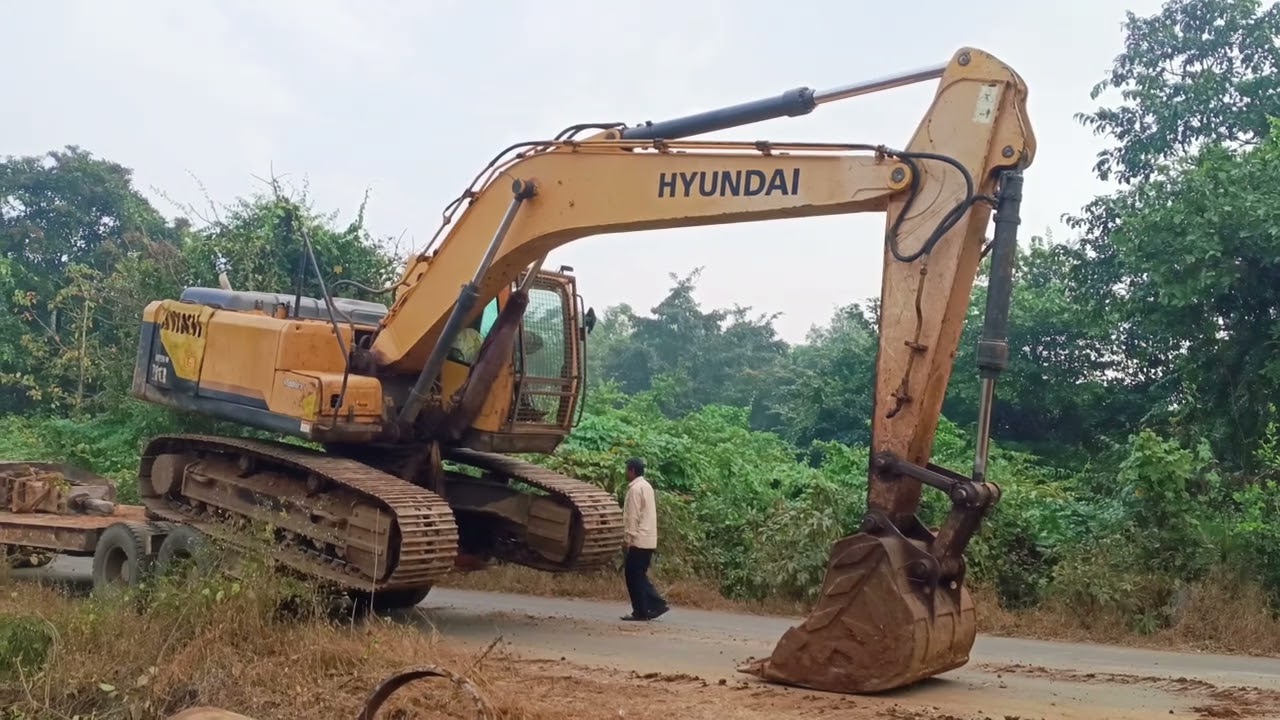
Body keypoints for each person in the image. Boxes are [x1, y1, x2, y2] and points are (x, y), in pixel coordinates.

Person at [620, 457, 669, 621]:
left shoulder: (635, 489)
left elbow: (633, 516)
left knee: (633, 576)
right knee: (638, 575)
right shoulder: (647, 487)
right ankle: (647, 607)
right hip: (649, 538)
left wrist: (628, 539)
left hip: (638, 539)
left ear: (632, 471)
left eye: (627, 469)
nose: (625, 472)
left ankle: (648, 607)